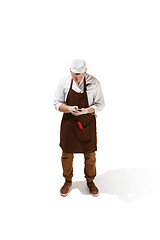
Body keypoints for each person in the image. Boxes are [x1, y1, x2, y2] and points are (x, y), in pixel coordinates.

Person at [53, 59, 105, 197]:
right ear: (70, 71)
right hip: (69, 124)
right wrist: (69, 108)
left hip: (87, 123)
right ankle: (67, 180)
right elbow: (57, 104)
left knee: (90, 155)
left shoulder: (94, 83)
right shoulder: (64, 82)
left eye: (80, 76)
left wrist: (86, 111)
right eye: (75, 76)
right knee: (66, 154)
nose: (77, 79)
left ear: (85, 71)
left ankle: (90, 181)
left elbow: (100, 104)